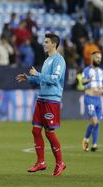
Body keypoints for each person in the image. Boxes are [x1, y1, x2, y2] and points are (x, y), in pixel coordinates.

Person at [15, 33, 66, 176]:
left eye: (46, 42)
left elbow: (55, 79)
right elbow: (43, 81)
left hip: (51, 100)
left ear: (54, 44)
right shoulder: (47, 60)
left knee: (50, 133)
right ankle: (41, 162)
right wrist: (29, 78)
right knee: (36, 130)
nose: (44, 44)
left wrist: (37, 74)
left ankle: (60, 163)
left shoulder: (59, 60)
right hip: (41, 99)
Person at [81, 51, 103, 152]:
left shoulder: (102, 72)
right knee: (94, 121)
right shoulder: (87, 70)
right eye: (97, 57)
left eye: (100, 58)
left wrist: (102, 89)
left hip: (98, 99)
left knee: (98, 122)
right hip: (89, 98)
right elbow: (83, 81)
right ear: (92, 58)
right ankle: (86, 139)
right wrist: (88, 81)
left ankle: (94, 145)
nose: (99, 60)